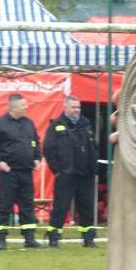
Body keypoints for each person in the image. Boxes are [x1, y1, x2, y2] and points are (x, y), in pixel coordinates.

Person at [0, 93, 42, 250]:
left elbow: (36, 142)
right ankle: (1, 238)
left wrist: (37, 158)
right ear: (14, 107)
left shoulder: (29, 123)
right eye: (24, 105)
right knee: (5, 205)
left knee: (27, 206)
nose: (27, 107)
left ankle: (29, 238)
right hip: (8, 172)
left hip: (26, 172)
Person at [43, 95, 98, 248]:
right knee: (61, 207)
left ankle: (88, 238)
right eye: (73, 107)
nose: (76, 110)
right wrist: (57, 170)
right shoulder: (57, 125)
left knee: (87, 207)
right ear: (65, 107)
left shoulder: (86, 124)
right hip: (66, 174)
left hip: (85, 174)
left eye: (78, 107)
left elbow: (93, 147)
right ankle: (54, 237)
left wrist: (93, 167)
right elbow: (48, 149)